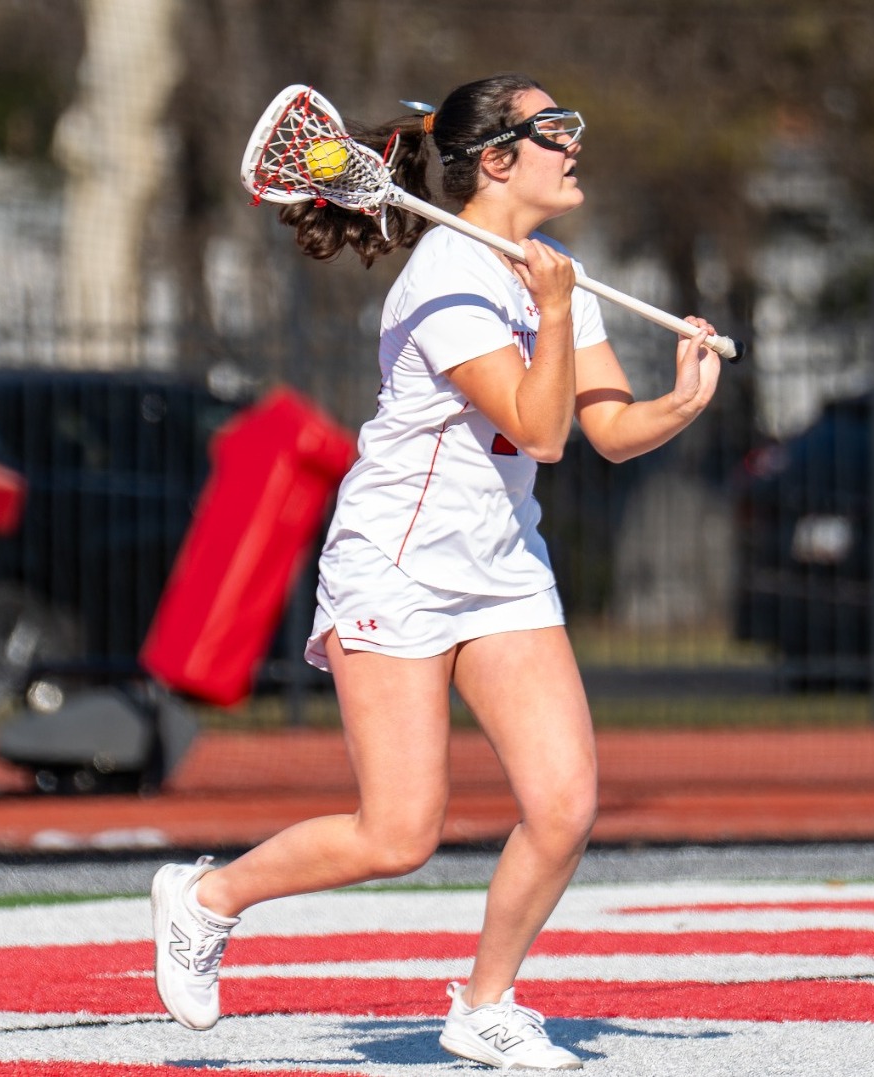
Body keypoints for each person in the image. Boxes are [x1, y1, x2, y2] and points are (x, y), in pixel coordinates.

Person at [152, 73, 724, 1071]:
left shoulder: (552, 271)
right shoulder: (445, 280)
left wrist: (677, 402)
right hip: (398, 569)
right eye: (555, 130)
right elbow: (539, 432)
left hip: (501, 568)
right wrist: (549, 314)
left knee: (563, 805)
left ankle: (483, 1004)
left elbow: (607, 431)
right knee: (397, 834)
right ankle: (204, 900)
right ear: (495, 160)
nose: (574, 144)